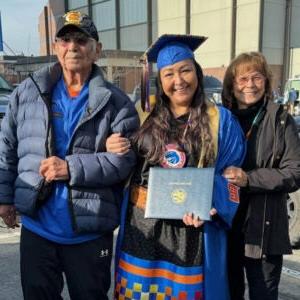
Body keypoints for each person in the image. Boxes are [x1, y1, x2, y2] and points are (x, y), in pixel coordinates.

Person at [0, 11, 139, 300]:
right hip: (37, 228)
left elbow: (125, 163)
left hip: (89, 233)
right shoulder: (28, 92)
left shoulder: (118, 103)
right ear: (55, 47)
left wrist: (70, 168)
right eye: (65, 39)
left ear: (97, 49)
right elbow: (8, 147)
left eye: (81, 39)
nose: (72, 46)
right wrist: (4, 198)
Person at [106, 34, 246, 300]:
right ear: (160, 81)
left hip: (193, 231)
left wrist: (210, 204)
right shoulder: (141, 114)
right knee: (139, 293)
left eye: (185, 70)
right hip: (142, 228)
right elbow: (122, 167)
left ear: (198, 73)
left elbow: (232, 178)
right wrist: (112, 146)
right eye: (169, 74)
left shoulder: (221, 121)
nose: (178, 80)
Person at [222, 52, 300, 300]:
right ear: (231, 85)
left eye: (256, 77)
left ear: (266, 82)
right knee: (228, 291)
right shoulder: (219, 118)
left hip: (264, 229)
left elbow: (294, 172)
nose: (250, 85)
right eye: (242, 79)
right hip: (226, 226)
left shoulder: (281, 120)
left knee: (263, 294)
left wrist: (249, 179)